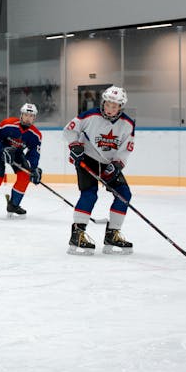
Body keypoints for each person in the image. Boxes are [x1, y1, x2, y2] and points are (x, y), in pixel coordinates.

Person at [63, 85, 136, 255]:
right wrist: (75, 146)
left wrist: (117, 165)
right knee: (89, 194)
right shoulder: (90, 115)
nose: (110, 109)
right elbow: (69, 130)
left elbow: (126, 148)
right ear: (103, 102)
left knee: (124, 194)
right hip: (87, 158)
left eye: (115, 106)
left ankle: (112, 234)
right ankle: (77, 235)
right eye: (108, 104)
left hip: (109, 163)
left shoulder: (128, 124)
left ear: (120, 107)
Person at [0, 103, 42, 217]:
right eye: (26, 115)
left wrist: (32, 168)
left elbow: (34, 154)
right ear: (21, 115)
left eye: (31, 116)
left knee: (25, 176)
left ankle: (13, 205)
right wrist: (2, 150)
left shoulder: (35, 135)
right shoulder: (7, 124)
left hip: (16, 153)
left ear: (34, 118)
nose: (28, 118)